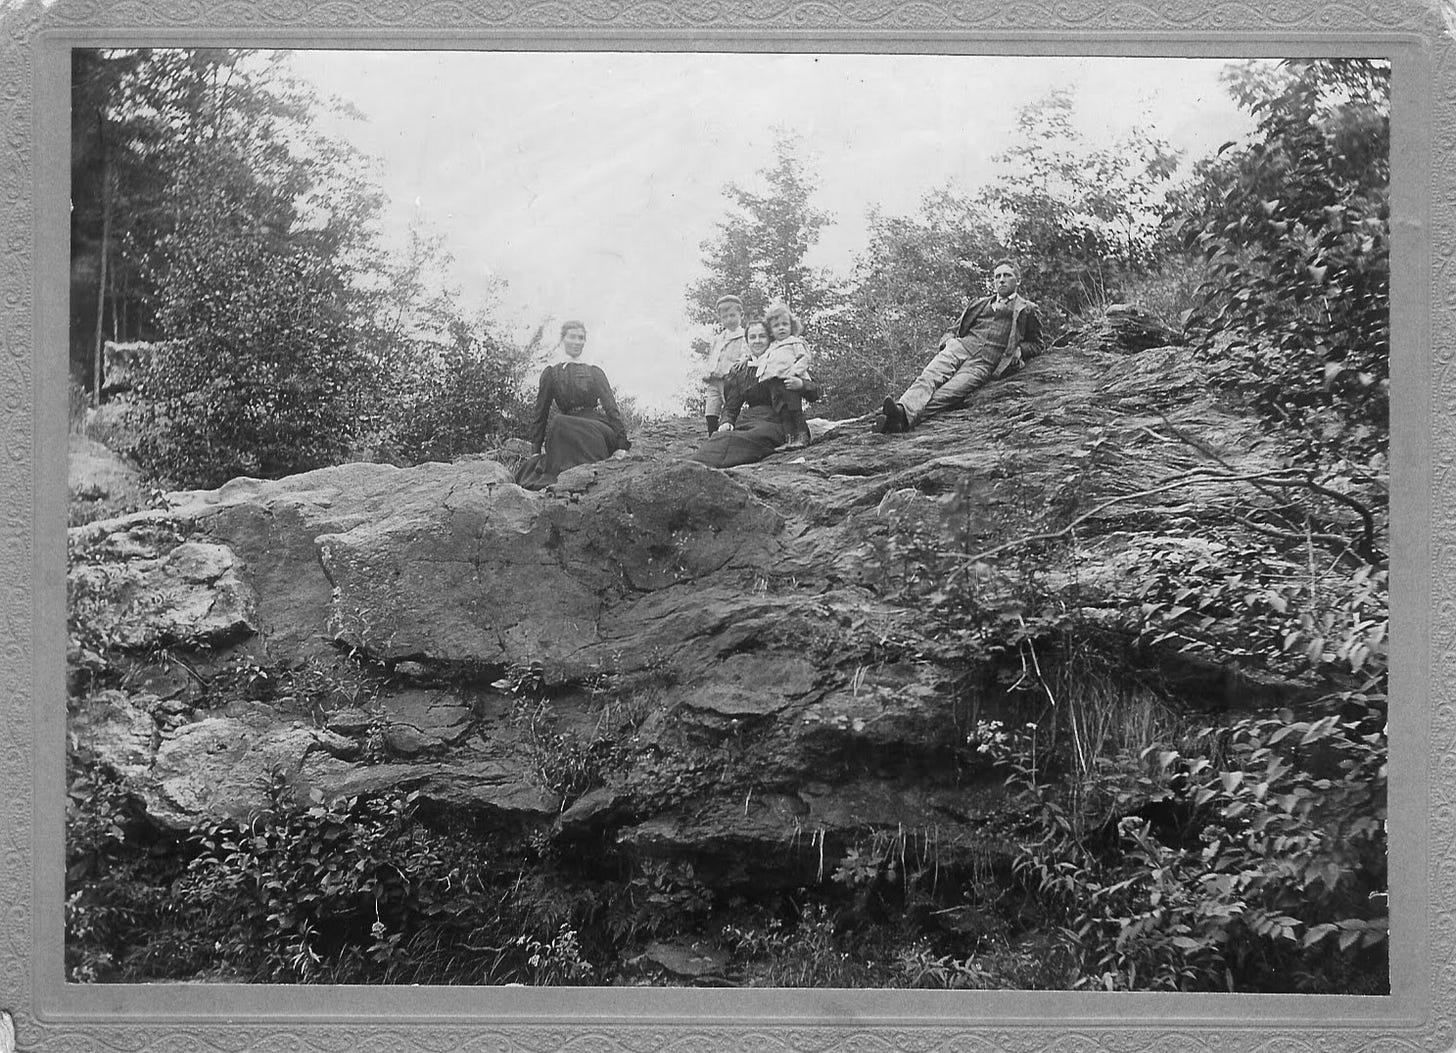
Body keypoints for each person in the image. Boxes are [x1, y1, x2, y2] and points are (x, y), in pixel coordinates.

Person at [873, 259, 1044, 434]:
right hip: (960, 347)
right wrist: (948, 342)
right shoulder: (979, 304)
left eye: (1007, 275)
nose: (1001, 280)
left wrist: (1020, 350)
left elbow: (1037, 344)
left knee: (948, 394)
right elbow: (952, 330)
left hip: (985, 362)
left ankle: (899, 418)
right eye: (997, 276)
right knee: (928, 377)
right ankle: (901, 412)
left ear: (1018, 280)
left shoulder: (1027, 309)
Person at [512, 320, 630, 490]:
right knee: (560, 423)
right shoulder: (552, 374)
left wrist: (621, 446)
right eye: (572, 337)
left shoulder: (594, 372)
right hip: (567, 428)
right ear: (563, 340)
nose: (577, 342)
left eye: (581, 338)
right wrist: (535, 451)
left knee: (561, 422)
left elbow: (612, 409)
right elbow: (541, 414)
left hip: (596, 426)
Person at [689, 320, 821, 469]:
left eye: (762, 336)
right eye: (752, 337)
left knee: (749, 438)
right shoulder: (741, 370)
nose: (757, 341)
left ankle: (704, 466)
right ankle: (695, 466)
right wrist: (727, 421)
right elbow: (731, 408)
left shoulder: (784, 361)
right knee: (722, 436)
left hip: (779, 422)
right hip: (749, 419)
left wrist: (801, 384)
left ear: (770, 339)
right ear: (747, 341)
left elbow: (815, 394)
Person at [756, 302, 815, 450]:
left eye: (785, 324)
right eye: (776, 326)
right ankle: (789, 439)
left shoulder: (794, 342)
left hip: (790, 380)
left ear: (791, 326)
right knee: (783, 412)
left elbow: (805, 358)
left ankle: (803, 436)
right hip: (775, 384)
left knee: (794, 409)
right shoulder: (771, 347)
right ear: (770, 330)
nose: (781, 328)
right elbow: (763, 361)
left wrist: (795, 371)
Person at [701, 294, 750, 438]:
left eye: (732, 315)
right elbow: (713, 357)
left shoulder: (743, 336)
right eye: (725, 317)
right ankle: (712, 435)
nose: (729, 320)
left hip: (730, 378)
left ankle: (730, 433)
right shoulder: (719, 338)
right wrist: (708, 371)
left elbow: (745, 356)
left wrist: (734, 370)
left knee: (729, 406)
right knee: (711, 408)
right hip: (714, 379)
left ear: (741, 315)